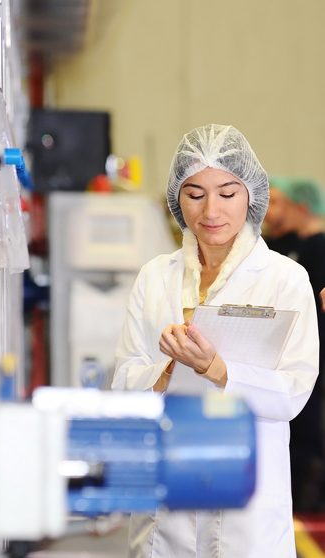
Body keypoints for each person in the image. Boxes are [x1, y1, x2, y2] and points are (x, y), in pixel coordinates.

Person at [112, 124, 319, 558]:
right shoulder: (155, 276)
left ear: (251, 195)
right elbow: (124, 385)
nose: (211, 210)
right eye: (194, 193)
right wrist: (170, 368)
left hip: (249, 508)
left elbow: (293, 393)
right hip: (163, 507)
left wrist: (217, 369)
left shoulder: (285, 278)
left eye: (227, 193)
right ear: (176, 198)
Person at [263, 176, 325, 511]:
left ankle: (309, 506)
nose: (269, 213)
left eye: (276, 203)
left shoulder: (318, 249)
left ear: (301, 207)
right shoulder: (278, 246)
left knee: (308, 440)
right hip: (280, 361)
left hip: (313, 365)